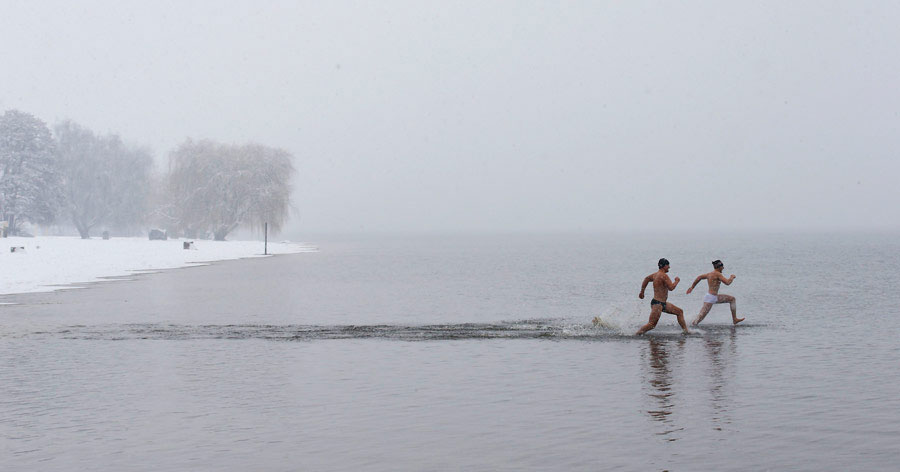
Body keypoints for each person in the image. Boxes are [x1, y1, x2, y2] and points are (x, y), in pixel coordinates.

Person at [637, 258, 689, 335]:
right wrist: (677, 281)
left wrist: (642, 292)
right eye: (668, 265)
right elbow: (671, 288)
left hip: (662, 303)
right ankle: (636, 334)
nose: (669, 267)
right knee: (651, 324)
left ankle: (686, 332)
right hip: (657, 304)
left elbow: (646, 279)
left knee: (679, 312)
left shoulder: (655, 275)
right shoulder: (664, 276)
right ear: (664, 266)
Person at [686, 259, 745, 326]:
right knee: (698, 320)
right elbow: (727, 282)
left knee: (732, 299)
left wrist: (692, 287)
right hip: (711, 298)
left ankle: (735, 319)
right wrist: (732, 277)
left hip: (713, 297)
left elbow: (699, 277)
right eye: (722, 266)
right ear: (719, 267)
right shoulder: (718, 274)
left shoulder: (709, 274)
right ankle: (688, 327)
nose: (723, 268)